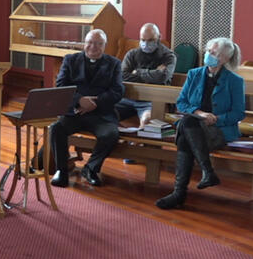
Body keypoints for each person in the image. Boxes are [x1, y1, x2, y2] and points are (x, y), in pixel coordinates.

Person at [155, 37, 245, 209]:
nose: (208, 54)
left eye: (214, 53)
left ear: (224, 58)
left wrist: (216, 119)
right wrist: (200, 113)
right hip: (196, 125)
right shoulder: (194, 74)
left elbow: (238, 113)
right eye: (208, 51)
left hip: (218, 130)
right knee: (188, 125)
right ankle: (207, 172)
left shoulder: (235, 81)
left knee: (184, 130)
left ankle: (179, 193)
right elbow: (181, 103)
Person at [49, 29, 124, 188]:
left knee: (111, 134)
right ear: (84, 43)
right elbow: (61, 85)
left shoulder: (114, 64)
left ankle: (90, 169)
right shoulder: (70, 60)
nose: (93, 46)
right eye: (90, 42)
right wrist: (79, 100)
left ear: (105, 46)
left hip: (101, 114)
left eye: (98, 43)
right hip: (74, 112)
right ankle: (61, 170)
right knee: (56, 128)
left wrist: (94, 103)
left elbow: (117, 91)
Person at [115, 23, 177, 129]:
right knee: (106, 114)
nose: (146, 43)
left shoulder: (168, 56)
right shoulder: (132, 54)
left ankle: (139, 143)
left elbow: (162, 77)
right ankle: (126, 142)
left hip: (153, 100)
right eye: (143, 40)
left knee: (148, 121)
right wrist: (153, 74)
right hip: (128, 97)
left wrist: (136, 72)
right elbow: (123, 75)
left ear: (158, 38)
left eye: (150, 40)